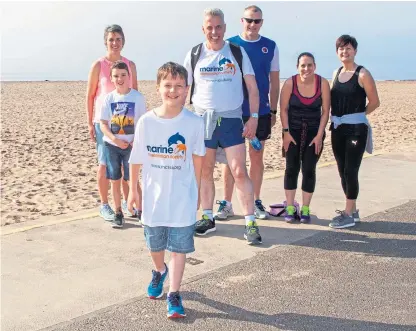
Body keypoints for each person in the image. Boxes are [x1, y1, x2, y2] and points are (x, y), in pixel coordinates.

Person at [127, 62, 205, 318]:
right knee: (155, 245)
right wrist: (133, 190)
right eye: (168, 85)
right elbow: (136, 159)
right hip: (153, 198)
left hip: (183, 197)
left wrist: (199, 192)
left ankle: (174, 292)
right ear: (158, 88)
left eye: (179, 86)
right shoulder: (146, 122)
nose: (173, 91)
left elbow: (198, 161)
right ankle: (159, 271)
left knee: (180, 248)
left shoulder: (194, 122)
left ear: (186, 90)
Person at [184, 8, 263, 245]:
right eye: (210, 27)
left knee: (239, 170)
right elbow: (181, 88)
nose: (214, 32)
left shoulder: (237, 53)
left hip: (231, 121)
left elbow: (253, 88)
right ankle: (207, 218)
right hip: (202, 121)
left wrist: (254, 117)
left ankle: (250, 221)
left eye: (218, 27)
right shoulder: (195, 54)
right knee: (205, 171)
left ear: (225, 28)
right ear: (203, 29)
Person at [215, 5, 280, 221]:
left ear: (262, 22)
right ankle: (226, 202)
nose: (252, 25)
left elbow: (274, 81)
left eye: (257, 21)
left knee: (256, 156)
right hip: (232, 110)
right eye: (249, 20)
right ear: (242, 21)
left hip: (259, 111)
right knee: (230, 160)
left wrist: (273, 110)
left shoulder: (270, 46)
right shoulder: (230, 44)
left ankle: (256, 200)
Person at [86, 24, 138, 221]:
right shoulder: (98, 65)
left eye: (118, 39)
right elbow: (90, 95)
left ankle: (125, 201)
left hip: (126, 121)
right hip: (104, 123)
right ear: (105, 42)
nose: (115, 43)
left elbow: (135, 93)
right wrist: (91, 123)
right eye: (111, 39)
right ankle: (104, 204)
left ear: (123, 41)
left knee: (126, 165)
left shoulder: (130, 65)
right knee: (104, 164)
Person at [328, 35, 380, 229]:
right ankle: (354, 210)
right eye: (341, 49)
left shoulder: (362, 74)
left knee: (351, 170)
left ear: (355, 51)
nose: (345, 52)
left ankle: (348, 214)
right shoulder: (336, 73)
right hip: (337, 128)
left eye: (348, 48)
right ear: (337, 52)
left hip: (356, 129)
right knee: (342, 170)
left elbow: (375, 102)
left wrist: (358, 116)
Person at [279, 52, 330, 223]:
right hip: (292, 130)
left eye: (309, 65)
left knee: (309, 169)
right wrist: (286, 132)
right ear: (297, 67)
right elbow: (283, 109)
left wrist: (319, 135)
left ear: (314, 66)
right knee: (291, 168)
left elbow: (325, 112)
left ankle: (306, 208)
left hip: (314, 132)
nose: (306, 68)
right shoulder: (289, 83)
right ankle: (291, 207)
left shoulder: (322, 83)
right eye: (303, 65)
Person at [100, 61, 146, 228]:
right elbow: (103, 124)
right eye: (116, 76)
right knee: (115, 179)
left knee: (131, 179)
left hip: (131, 146)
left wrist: (135, 141)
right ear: (111, 79)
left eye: (123, 75)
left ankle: (141, 210)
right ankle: (118, 211)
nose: (120, 79)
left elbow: (142, 122)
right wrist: (115, 139)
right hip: (112, 145)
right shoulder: (109, 98)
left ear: (129, 76)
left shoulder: (138, 98)